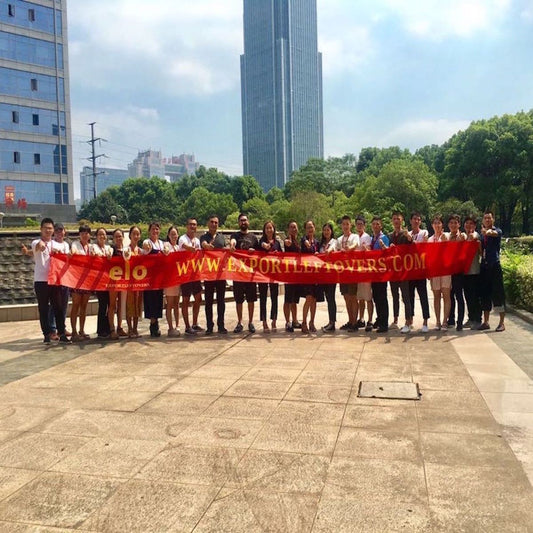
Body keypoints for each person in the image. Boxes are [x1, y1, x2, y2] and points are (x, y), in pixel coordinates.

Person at [29, 217, 70, 344]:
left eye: (50, 228)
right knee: (43, 308)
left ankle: (61, 333)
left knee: (58, 307)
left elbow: (66, 258)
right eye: (45, 228)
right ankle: (46, 334)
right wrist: (41, 246)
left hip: (55, 280)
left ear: (53, 230)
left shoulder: (57, 244)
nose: (48, 230)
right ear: (41, 229)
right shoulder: (36, 242)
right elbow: (38, 246)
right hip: (41, 281)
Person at [230, 213, 259, 333]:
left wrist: (254, 251)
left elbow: (259, 254)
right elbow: (232, 241)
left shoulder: (253, 238)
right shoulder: (235, 235)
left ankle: (251, 322)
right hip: (238, 273)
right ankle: (240, 322)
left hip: (250, 273)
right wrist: (232, 245)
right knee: (239, 300)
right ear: (238, 222)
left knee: (251, 299)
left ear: (248, 222)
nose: (243, 222)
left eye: (245, 220)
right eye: (241, 220)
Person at [478, 211, 506, 332]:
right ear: (483, 220)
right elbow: (480, 251)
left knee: (498, 294)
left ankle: (502, 323)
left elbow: (494, 233)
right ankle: (486, 322)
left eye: (489, 218)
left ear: (493, 219)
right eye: (485, 218)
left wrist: (488, 232)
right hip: (484, 267)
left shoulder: (497, 231)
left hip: (494, 266)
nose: (487, 220)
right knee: (485, 294)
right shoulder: (481, 235)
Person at [200, 215, 228, 335]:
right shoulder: (204, 237)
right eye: (212, 222)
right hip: (209, 274)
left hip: (220, 274)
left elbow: (225, 249)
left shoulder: (221, 237)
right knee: (209, 301)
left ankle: (221, 325)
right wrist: (206, 245)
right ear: (208, 223)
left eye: (216, 222)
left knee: (221, 301)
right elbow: (203, 244)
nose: (214, 224)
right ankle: (209, 326)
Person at [388, 211, 414, 334]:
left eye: (398, 219)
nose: (396, 221)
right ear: (392, 221)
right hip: (393, 271)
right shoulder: (389, 236)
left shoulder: (405, 234)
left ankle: (408, 321)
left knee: (405, 296)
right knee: (395, 296)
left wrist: (410, 238)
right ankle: (395, 319)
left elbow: (412, 246)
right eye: (394, 219)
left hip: (404, 270)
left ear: (402, 220)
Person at [178, 218, 203, 336]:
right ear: (187, 226)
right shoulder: (182, 238)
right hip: (185, 273)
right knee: (186, 299)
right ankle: (187, 326)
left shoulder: (197, 240)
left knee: (198, 298)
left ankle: (194, 323)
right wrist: (190, 249)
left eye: (195, 225)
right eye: (191, 224)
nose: (193, 227)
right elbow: (184, 246)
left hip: (195, 273)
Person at [408, 212, 430, 333]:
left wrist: (412, 241)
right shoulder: (407, 234)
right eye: (414, 219)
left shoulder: (424, 232)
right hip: (410, 270)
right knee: (410, 296)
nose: (416, 221)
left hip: (421, 270)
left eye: (418, 219)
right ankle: (410, 320)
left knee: (423, 296)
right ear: (410, 221)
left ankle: (425, 321)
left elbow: (423, 247)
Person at [336, 215, 360, 331]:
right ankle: (350, 321)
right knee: (346, 297)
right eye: (343, 224)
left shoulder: (355, 237)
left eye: (347, 224)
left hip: (352, 271)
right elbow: (335, 250)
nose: (345, 226)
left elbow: (355, 245)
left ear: (351, 225)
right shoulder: (339, 239)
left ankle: (355, 322)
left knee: (353, 297)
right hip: (342, 272)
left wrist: (348, 249)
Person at [428, 215, 451, 331]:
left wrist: (446, 242)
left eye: (439, 223)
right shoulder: (430, 240)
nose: (437, 225)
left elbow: (452, 252)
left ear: (442, 225)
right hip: (435, 271)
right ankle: (437, 321)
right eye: (435, 223)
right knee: (436, 296)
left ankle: (445, 321)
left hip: (446, 270)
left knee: (446, 295)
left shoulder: (447, 236)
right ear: (432, 225)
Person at [258, 220, 281, 332]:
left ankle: (274, 320)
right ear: (264, 230)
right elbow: (262, 247)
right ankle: (264, 322)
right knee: (263, 298)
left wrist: (278, 254)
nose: (269, 230)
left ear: (273, 229)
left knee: (274, 297)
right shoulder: (261, 241)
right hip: (262, 274)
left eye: (270, 228)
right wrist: (265, 246)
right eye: (267, 228)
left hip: (274, 274)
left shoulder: (277, 243)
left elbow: (282, 257)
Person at [142, 221, 165, 337]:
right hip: (149, 277)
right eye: (153, 229)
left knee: (158, 300)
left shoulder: (162, 243)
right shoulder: (147, 242)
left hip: (159, 277)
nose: (155, 231)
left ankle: (156, 323)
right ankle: (153, 324)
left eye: (157, 229)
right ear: (149, 231)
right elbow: (145, 247)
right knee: (150, 300)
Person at [70, 224, 92, 342]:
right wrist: (73, 253)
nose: (84, 235)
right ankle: (74, 331)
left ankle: (82, 330)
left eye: (86, 233)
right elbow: (73, 251)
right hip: (76, 280)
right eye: (82, 233)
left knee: (84, 306)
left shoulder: (91, 247)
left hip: (87, 281)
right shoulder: (75, 244)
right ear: (79, 234)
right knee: (76, 304)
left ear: (89, 235)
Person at [49, 223, 70, 340]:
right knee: (54, 305)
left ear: (64, 232)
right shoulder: (51, 244)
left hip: (65, 278)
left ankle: (62, 327)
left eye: (61, 230)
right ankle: (52, 329)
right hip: (55, 279)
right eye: (57, 230)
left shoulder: (66, 245)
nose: (59, 232)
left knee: (64, 304)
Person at [91, 227, 113, 339]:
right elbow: (94, 255)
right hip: (99, 281)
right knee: (102, 304)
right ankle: (101, 330)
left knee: (110, 304)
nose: (102, 236)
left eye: (103, 234)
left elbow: (111, 255)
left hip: (109, 280)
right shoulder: (93, 247)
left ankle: (108, 327)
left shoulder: (109, 248)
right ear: (96, 236)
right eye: (99, 234)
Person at [300, 220, 321, 334]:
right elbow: (305, 246)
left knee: (314, 300)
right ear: (305, 229)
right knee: (308, 298)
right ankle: (304, 322)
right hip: (307, 274)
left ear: (314, 228)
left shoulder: (317, 242)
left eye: (311, 227)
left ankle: (312, 322)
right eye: (308, 227)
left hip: (316, 274)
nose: (310, 229)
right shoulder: (304, 240)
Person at [446, 214, 466, 331]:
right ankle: (451, 319)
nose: (453, 225)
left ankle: (460, 321)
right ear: (448, 225)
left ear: (459, 224)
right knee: (450, 296)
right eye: (451, 223)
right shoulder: (446, 237)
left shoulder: (462, 236)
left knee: (459, 295)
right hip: (448, 271)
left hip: (459, 270)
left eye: (455, 223)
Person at [370, 217, 390, 333]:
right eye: (374, 224)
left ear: (381, 226)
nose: (375, 226)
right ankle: (379, 318)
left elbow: (388, 252)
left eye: (377, 224)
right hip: (373, 272)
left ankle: (384, 323)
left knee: (382, 297)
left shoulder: (384, 238)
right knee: (376, 297)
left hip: (382, 272)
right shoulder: (372, 238)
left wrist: (383, 247)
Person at [108, 228, 128, 340]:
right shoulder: (111, 249)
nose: (118, 238)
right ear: (113, 238)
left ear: (123, 237)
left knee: (121, 304)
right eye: (116, 236)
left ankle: (120, 327)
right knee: (112, 305)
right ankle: (112, 329)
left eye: (120, 236)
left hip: (124, 280)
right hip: (113, 281)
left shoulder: (126, 250)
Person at [354, 215, 374, 332]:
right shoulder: (354, 237)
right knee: (360, 297)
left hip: (366, 270)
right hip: (356, 270)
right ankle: (361, 318)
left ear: (364, 226)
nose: (359, 226)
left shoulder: (367, 237)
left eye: (361, 224)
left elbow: (369, 251)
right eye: (358, 224)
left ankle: (370, 319)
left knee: (368, 297)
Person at [463, 215, 482, 330]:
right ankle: (471, 318)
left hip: (474, 271)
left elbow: (475, 237)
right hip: (464, 272)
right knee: (468, 297)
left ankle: (478, 320)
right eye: (467, 223)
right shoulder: (463, 237)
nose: (468, 225)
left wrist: (472, 237)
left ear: (475, 226)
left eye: (471, 223)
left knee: (475, 297)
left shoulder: (476, 236)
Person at [283, 220, 301, 332]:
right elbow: (286, 243)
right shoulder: (288, 241)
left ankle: (295, 320)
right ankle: (287, 321)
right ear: (288, 229)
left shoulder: (297, 242)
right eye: (291, 227)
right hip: (289, 275)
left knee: (294, 300)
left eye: (295, 227)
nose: (293, 229)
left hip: (297, 275)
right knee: (288, 300)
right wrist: (287, 242)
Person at [319, 223, 337, 332]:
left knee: (331, 298)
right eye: (324, 230)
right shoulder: (321, 244)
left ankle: (332, 322)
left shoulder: (334, 242)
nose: (326, 232)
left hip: (332, 275)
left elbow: (333, 249)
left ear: (331, 231)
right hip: (323, 275)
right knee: (328, 298)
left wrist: (329, 250)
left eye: (328, 230)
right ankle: (330, 321)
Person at [164, 225, 181, 337]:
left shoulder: (178, 247)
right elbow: (165, 253)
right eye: (172, 234)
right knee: (169, 304)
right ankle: (170, 327)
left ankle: (177, 325)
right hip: (169, 279)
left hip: (178, 279)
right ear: (168, 235)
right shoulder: (166, 245)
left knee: (176, 303)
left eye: (175, 234)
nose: (174, 236)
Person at [125, 225, 143, 338]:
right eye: (134, 234)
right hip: (128, 282)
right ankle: (130, 329)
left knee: (137, 305)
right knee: (129, 305)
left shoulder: (141, 251)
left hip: (139, 282)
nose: (136, 236)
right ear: (130, 235)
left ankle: (135, 329)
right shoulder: (126, 249)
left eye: (137, 234)